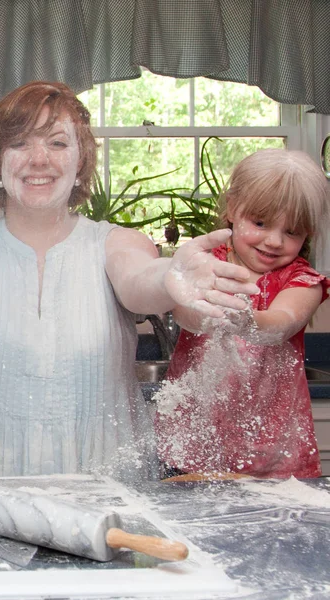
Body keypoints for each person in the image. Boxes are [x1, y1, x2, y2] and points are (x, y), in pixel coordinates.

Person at [0, 80, 257, 482]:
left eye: (57, 143)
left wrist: (170, 274)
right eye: (19, 143)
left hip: (106, 474)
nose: (39, 159)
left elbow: (140, 278)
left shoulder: (118, 243)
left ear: (80, 159)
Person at [155, 148, 330, 480]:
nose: (274, 240)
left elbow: (283, 322)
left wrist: (248, 322)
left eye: (292, 231)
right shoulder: (205, 266)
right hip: (193, 448)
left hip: (274, 457)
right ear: (233, 208)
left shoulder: (302, 281)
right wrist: (200, 308)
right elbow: (185, 315)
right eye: (260, 222)